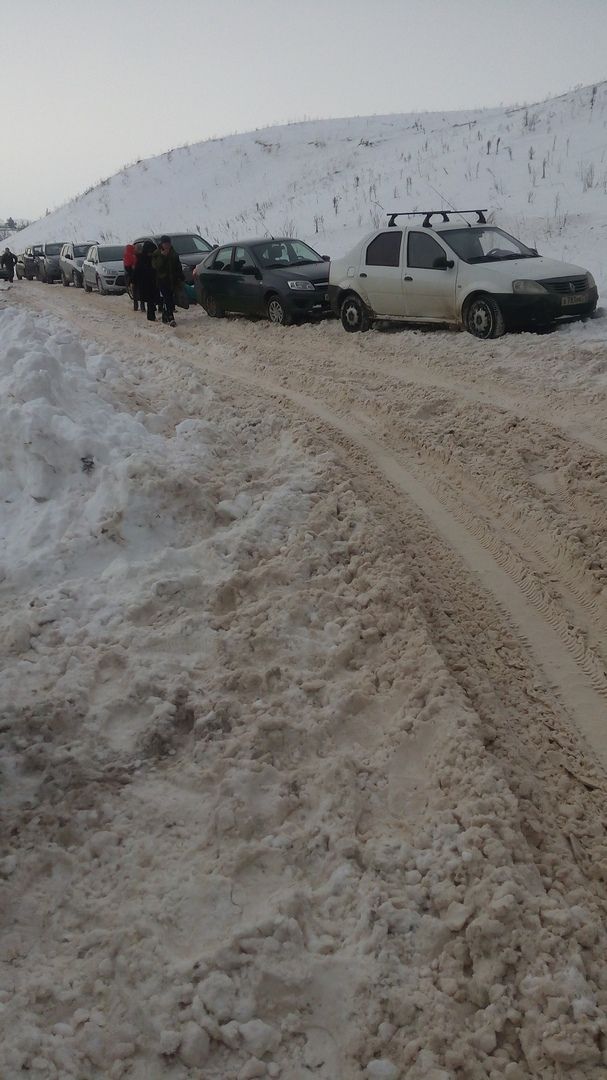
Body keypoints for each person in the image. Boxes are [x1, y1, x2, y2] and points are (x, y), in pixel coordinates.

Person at [152, 235, 183, 326]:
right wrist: (162, 256)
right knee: (167, 298)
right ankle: (170, 317)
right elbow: (156, 266)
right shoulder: (157, 253)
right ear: (162, 244)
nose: (167, 245)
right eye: (165, 243)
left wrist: (180, 275)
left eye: (168, 243)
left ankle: (165, 316)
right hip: (162, 280)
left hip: (172, 279)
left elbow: (178, 265)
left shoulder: (173, 252)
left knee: (170, 298)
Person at [132, 240, 159, 322]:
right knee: (150, 299)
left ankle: (152, 313)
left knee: (152, 299)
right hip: (145, 283)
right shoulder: (141, 259)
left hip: (152, 282)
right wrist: (134, 281)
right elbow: (136, 272)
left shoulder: (151, 258)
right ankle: (151, 316)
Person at [124, 243, 145, 312]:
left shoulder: (128, 256)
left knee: (135, 292)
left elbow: (127, 268)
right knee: (141, 291)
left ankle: (136, 306)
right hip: (139, 277)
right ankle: (142, 307)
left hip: (133, 277)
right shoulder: (135, 256)